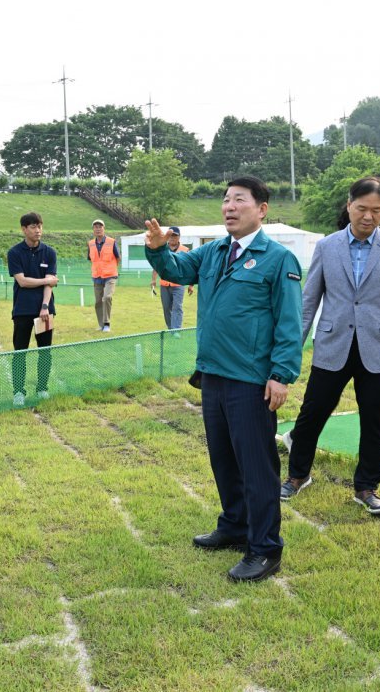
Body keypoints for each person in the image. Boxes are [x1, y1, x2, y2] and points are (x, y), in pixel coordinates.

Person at [145, 177, 303, 583]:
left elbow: (290, 323)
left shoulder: (278, 260)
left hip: (251, 380)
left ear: (261, 209)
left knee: (257, 466)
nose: (229, 207)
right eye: (226, 199)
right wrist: (159, 248)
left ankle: (265, 548)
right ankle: (235, 525)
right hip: (213, 374)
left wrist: (281, 375)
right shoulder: (213, 251)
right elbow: (176, 270)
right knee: (224, 459)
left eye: (239, 200)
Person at [279, 176, 380, 517]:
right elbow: (309, 301)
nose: (368, 216)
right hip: (332, 343)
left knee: (375, 420)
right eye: (362, 208)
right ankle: (297, 476)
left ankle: (366, 487)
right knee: (312, 413)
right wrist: (292, 346)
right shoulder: (327, 247)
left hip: (377, 346)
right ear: (349, 205)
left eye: (377, 210)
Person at [7, 212, 57, 406]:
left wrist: (45, 306)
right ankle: (19, 392)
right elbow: (23, 281)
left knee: (45, 351)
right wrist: (46, 280)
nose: (38, 230)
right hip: (22, 310)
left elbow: (50, 285)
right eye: (34, 227)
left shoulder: (49, 252)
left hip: (45, 311)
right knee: (20, 352)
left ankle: (42, 388)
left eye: (40, 226)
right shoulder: (15, 253)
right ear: (24, 229)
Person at [150, 226, 194, 330]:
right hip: (164, 284)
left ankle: (176, 330)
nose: (172, 238)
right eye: (170, 236)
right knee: (166, 308)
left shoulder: (185, 250)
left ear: (179, 237)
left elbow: (191, 268)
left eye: (175, 236)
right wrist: (153, 280)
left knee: (177, 307)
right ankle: (170, 328)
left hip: (179, 284)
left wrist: (191, 285)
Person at [87, 219, 119, 332]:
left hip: (110, 276)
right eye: (95, 227)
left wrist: (112, 269)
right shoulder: (90, 244)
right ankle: (101, 325)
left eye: (100, 226)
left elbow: (118, 257)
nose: (98, 229)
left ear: (104, 228)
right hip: (97, 277)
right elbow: (91, 258)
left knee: (107, 297)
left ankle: (106, 324)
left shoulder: (112, 242)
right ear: (93, 229)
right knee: (98, 302)